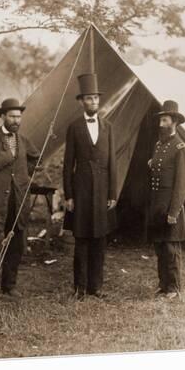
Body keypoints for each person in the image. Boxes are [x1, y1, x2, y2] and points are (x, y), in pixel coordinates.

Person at [0, 98, 41, 305]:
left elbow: (35, 158)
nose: (16, 120)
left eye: (19, 116)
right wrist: (8, 155)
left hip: (18, 201)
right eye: (12, 116)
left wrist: (25, 175)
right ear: (2, 116)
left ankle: (8, 286)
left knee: (17, 245)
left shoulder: (23, 140)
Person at [63, 73, 117, 300]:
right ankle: (80, 288)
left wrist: (113, 193)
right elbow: (67, 165)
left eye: (96, 98)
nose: (93, 102)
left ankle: (97, 287)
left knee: (100, 240)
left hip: (103, 191)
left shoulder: (108, 127)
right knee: (82, 240)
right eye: (89, 99)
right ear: (81, 101)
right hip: (82, 191)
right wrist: (69, 195)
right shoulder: (74, 127)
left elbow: (113, 161)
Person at [147, 100, 185, 300]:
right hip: (157, 204)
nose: (160, 124)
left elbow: (182, 183)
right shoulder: (158, 145)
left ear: (174, 122)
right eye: (161, 120)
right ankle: (163, 285)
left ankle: (173, 288)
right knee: (160, 246)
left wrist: (174, 211)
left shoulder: (180, 147)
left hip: (171, 205)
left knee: (171, 248)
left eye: (164, 120)